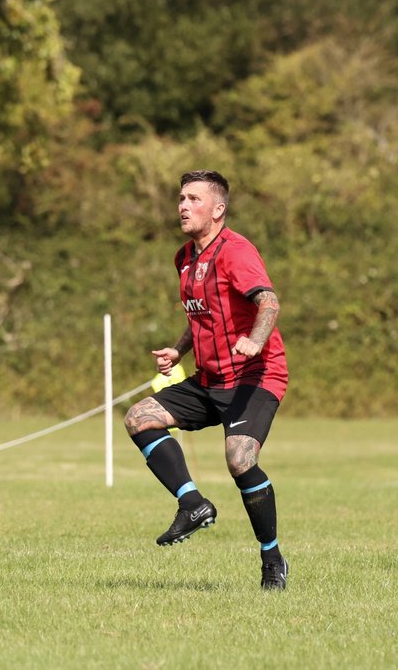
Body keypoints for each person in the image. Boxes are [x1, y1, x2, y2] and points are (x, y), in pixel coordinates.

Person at [125, 170, 290, 591]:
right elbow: (201, 313)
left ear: (217, 209)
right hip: (210, 378)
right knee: (139, 416)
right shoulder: (184, 257)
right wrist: (178, 350)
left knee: (239, 459)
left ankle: (272, 559)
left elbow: (268, 301)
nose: (183, 205)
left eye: (193, 199)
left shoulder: (236, 251)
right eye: (181, 197)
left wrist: (255, 341)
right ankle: (193, 504)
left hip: (256, 374)